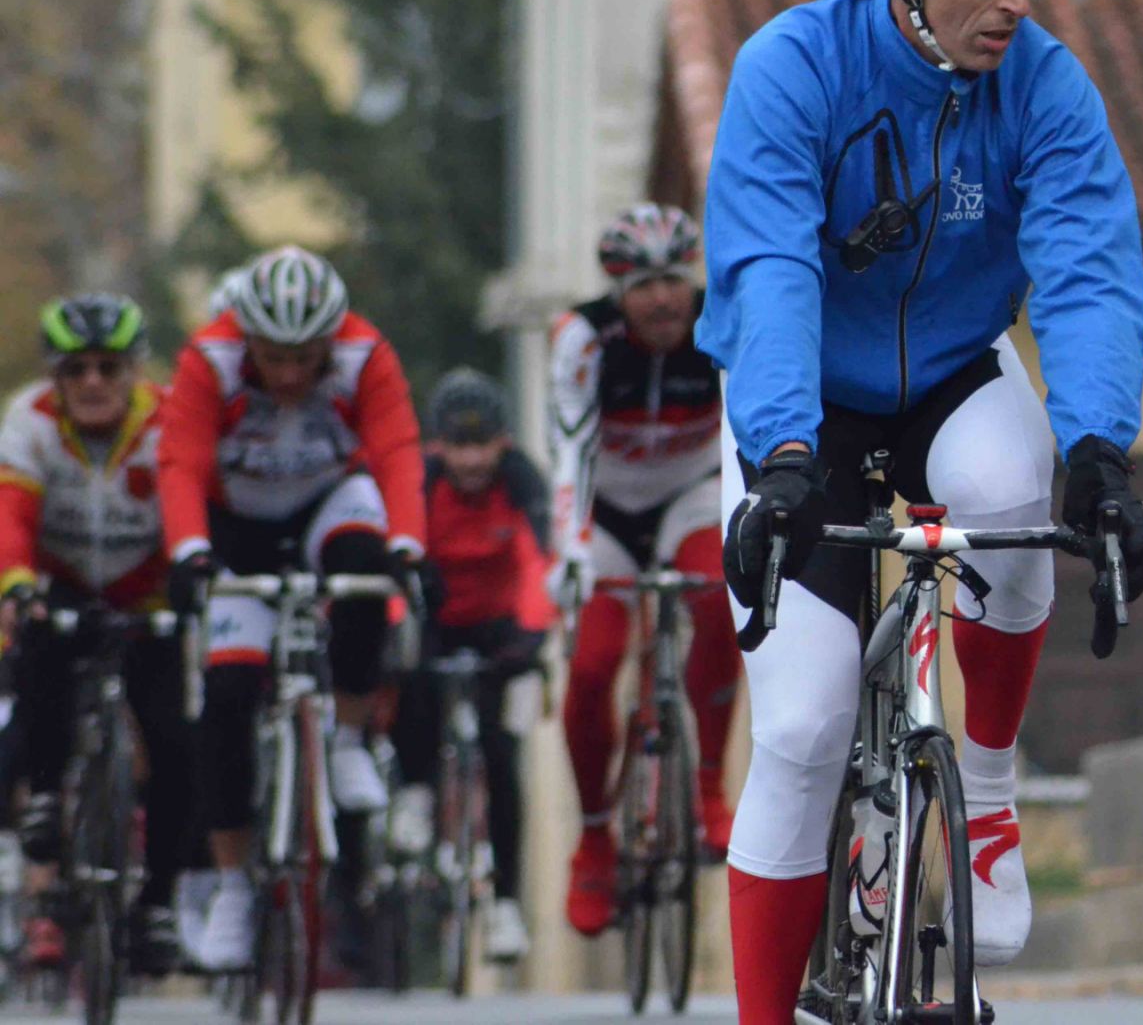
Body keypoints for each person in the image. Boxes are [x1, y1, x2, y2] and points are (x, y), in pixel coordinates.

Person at [698, 0, 1143, 1023]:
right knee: (801, 728)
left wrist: (1101, 450)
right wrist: (783, 453)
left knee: (1012, 488)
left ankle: (988, 795)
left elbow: (1088, 272)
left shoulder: (1044, 87)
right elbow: (767, 271)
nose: (1014, 1)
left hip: (953, 370)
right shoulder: (794, 66)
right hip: (804, 402)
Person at [157, 245, 427, 969]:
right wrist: (188, 553)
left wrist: (409, 547)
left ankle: (347, 735)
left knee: (368, 568)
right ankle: (232, 887)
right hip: (237, 526)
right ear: (245, 337)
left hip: (325, 502)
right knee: (228, 694)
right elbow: (180, 461)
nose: (288, 374)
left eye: (305, 358)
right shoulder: (209, 359)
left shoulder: (365, 354)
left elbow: (397, 450)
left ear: (330, 342)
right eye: (273, 356)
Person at [546, 202, 737, 937]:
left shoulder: (726, 319)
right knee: (593, 664)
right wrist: (570, 549)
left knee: (719, 598)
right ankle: (595, 840)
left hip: (692, 493)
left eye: (674, 279)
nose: (663, 299)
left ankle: (709, 789)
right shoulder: (582, 338)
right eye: (643, 285)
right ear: (617, 292)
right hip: (607, 510)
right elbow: (570, 451)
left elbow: (744, 428)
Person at [0, 295, 194, 974]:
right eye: (75, 368)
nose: (91, 382)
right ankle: (45, 797)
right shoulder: (28, 421)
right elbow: (10, 514)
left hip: (146, 592)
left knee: (174, 741)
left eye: (108, 368)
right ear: (53, 374)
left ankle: (158, 904)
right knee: (38, 665)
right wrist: (15, 583)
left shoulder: (168, 421)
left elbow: (189, 506)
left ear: (134, 371)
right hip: (62, 584)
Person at [387, 367, 551, 963]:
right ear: (439, 444)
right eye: (460, 445)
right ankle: (414, 792)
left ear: (503, 441)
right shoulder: (422, 482)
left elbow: (539, 562)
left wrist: (532, 637)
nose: (473, 459)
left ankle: (505, 903)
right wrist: (400, 621)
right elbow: (396, 564)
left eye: (483, 444)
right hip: (435, 615)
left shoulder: (521, 480)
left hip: (500, 627)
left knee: (501, 754)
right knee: (410, 677)